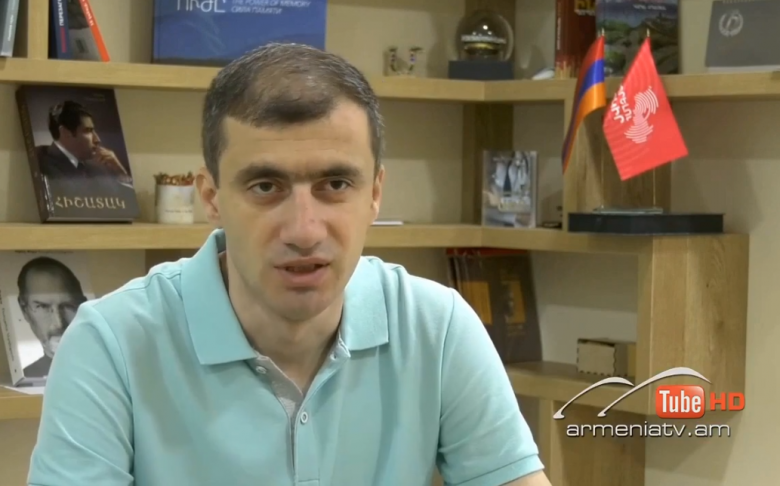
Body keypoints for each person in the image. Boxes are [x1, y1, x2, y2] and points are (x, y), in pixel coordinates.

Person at [27, 43, 551, 486]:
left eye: (335, 184)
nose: (304, 231)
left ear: (375, 194)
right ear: (211, 197)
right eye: (265, 186)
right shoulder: (110, 345)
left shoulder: (437, 328)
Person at [35, 100, 135, 201]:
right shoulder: (39, 163)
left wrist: (121, 172)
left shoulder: (96, 168)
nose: (97, 139)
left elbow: (125, 202)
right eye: (88, 131)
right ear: (65, 133)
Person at [16, 256, 88, 383]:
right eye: (42, 306)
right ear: (24, 310)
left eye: (68, 306)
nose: (58, 324)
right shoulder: (26, 375)